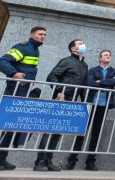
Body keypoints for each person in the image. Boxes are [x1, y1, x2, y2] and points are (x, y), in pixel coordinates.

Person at [0, 26, 46, 171]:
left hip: (23, 92)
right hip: (13, 91)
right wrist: (14, 74)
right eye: (40, 34)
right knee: (2, 124)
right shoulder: (23, 47)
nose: (43, 37)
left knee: (12, 126)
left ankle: (1, 158)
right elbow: (1, 62)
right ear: (32, 35)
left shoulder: (35, 50)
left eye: (44, 35)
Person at [34, 39, 89, 172]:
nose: (83, 45)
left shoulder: (84, 65)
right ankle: (40, 161)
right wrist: (59, 91)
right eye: (80, 43)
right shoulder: (67, 61)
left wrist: (84, 100)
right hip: (61, 99)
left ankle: (48, 160)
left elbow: (84, 85)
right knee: (50, 130)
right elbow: (52, 76)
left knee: (58, 131)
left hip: (72, 101)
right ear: (73, 49)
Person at [85, 50, 115, 171]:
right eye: (106, 55)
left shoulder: (114, 71)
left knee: (96, 134)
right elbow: (90, 83)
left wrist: (100, 82)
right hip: (91, 103)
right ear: (100, 58)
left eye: (109, 55)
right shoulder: (93, 70)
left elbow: (114, 81)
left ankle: (90, 162)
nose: (108, 56)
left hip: (104, 104)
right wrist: (105, 84)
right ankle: (72, 160)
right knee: (82, 132)